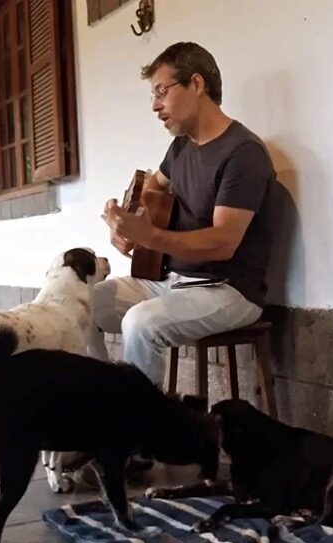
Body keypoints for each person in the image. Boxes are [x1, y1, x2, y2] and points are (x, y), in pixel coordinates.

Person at [89, 41, 276, 390]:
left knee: (140, 324)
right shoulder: (180, 147)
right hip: (170, 281)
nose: (155, 105)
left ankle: (142, 424)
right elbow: (151, 187)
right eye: (153, 96)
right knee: (82, 303)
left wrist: (150, 236)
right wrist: (126, 224)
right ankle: (100, 403)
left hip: (227, 290)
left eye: (162, 91)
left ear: (196, 84)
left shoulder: (243, 153)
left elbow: (223, 242)